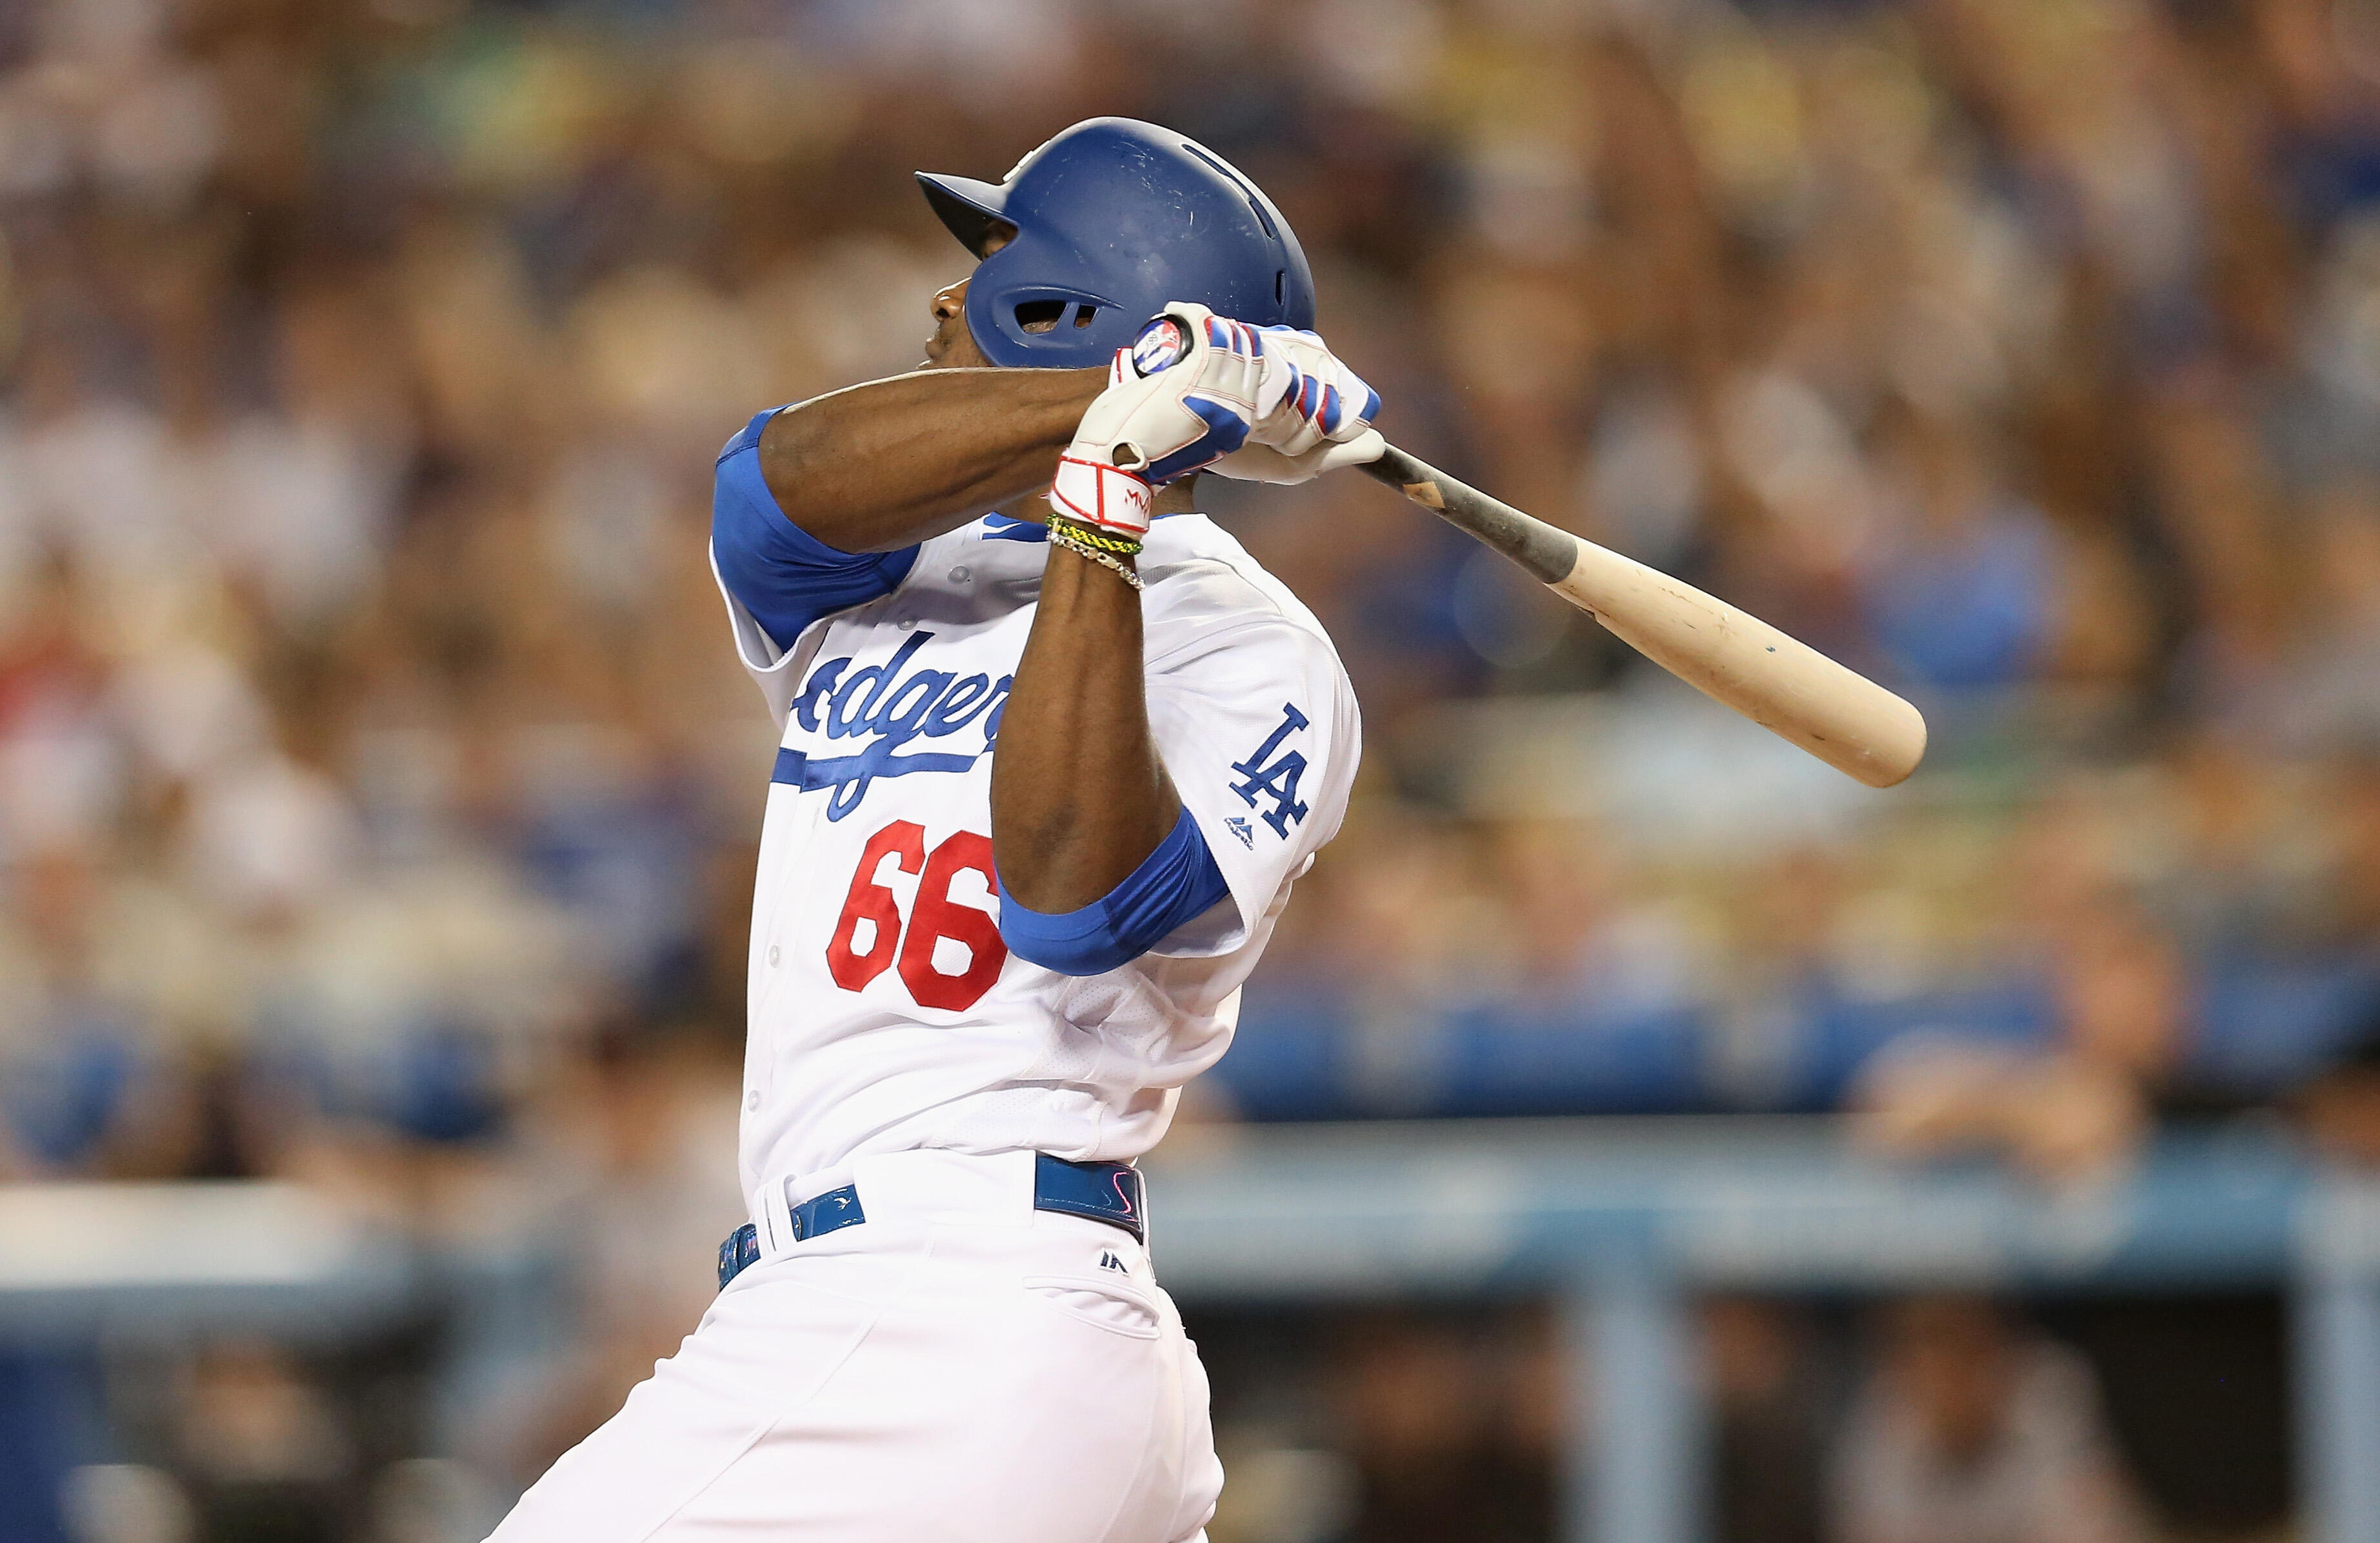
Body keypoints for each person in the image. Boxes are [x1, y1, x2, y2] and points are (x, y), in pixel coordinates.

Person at [484, 119, 1381, 1543]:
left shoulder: (1256, 650)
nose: (945, 303)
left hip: (964, 1297)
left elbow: (1074, 897)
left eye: (996, 265)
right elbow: (763, 490)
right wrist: (1116, 399)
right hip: (892, 1310)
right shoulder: (898, 554)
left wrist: (1105, 498)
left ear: (1070, 302)